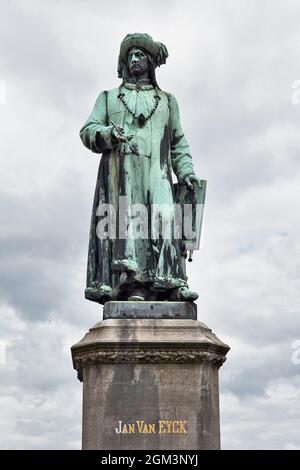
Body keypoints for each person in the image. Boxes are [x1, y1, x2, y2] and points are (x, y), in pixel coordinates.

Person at [80, 33, 200, 304]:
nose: (134, 59)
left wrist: (186, 171)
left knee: (167, 219)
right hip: (123, 173)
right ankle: (133, 285)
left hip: (158, 171)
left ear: (150, 61)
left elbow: (178, 141)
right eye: (130, 55)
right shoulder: (109, 98)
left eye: (140, 55)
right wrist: (108, 134)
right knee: (130, 227)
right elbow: (88, 130)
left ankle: (172, 283)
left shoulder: (168, 101)